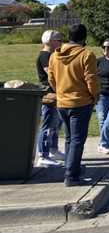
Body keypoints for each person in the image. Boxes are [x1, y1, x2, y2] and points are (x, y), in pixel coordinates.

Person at [47, 23, 100, 186]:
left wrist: (60, 92)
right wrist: (95, 96)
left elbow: (51, 78)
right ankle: (71, 175)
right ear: (84, 38)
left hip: (62, 102)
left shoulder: (55, 55)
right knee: (77, 140)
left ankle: (71, 169)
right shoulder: (86, 54)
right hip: (81, 102)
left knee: (70, 139)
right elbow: (91, 79)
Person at [34, 29, 65, 167]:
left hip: (56, 94)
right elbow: (51, 74)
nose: (61, 43)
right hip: (49, 95)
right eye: (59, 40)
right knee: (47, 124)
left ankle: (53, 149)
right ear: (50, 41)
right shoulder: (45, 56)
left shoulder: (52, 55)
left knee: (56, 124)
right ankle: (43, 154)